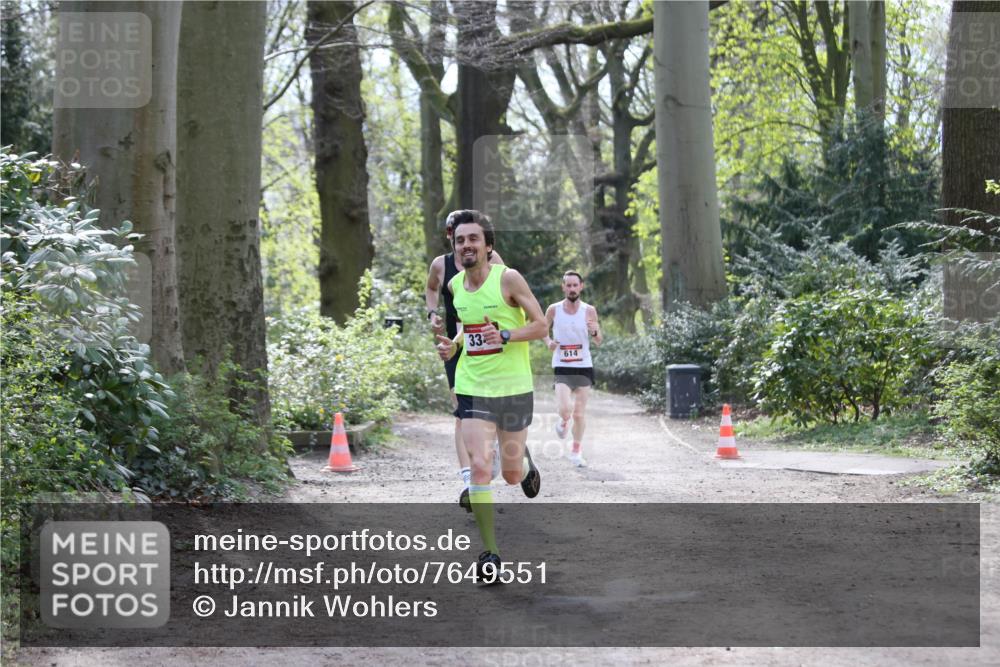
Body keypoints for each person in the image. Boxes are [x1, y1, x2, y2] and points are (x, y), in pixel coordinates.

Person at [435, 210, 547, 582]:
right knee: (481, 468)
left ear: (487, 246)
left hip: (513, 388)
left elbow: (540, 324)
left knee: (512, 476)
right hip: (473, 387)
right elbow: (469, 329)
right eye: (460, 240)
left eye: (473, 239)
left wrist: (509, 336)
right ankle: (489, 553)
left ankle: (525, 465)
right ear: (454, 247)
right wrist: (453, 347)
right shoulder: (454, 288)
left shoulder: (508, 279)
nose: (466, 245)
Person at [425, 212, 505, 511]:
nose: (460, 241)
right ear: (449, 235)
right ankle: (469, 478)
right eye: (453, 234)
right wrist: (432, 314)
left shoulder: (492, 259)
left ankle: (505, 452)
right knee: (461, 410)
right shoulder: (440, 264)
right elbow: (431, 289)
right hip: (455, 346)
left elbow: (506, 293)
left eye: (469, 236)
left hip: (489, 345)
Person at [543, 271, 602, 467]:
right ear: (563, 287)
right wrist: (549, 342)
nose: (572, 289)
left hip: (583, 365)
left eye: (575, 285)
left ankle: (576, 451)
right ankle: (562, 422)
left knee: (578, 414)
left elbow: (598, 340)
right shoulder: (554, 309)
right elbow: (542, 329)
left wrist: (594, 331)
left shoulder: (589, 310)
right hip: (562, 365)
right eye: (568, 285)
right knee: (564, 409)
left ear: (581, 287)